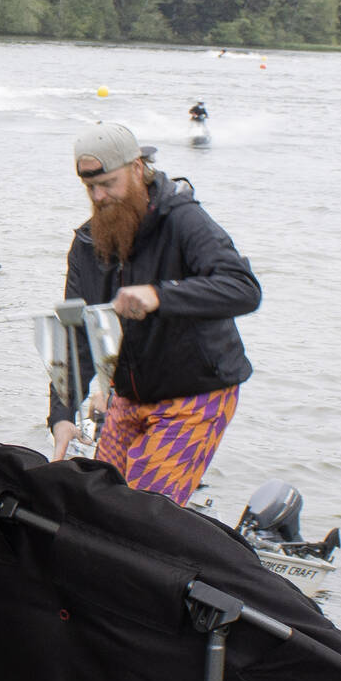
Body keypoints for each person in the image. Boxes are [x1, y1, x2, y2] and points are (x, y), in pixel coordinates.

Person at [47, 123, 260, 504]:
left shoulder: (183, 219)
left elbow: (243, 288)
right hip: (128, 394)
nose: (98, 196)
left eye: (107, 184)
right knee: (95, 501)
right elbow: (79, 331)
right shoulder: (87, 242)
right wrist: (62, 415)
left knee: (140, 512)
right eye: (89, 187)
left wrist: (160, 296)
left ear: (136, 168)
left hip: (195, 394)